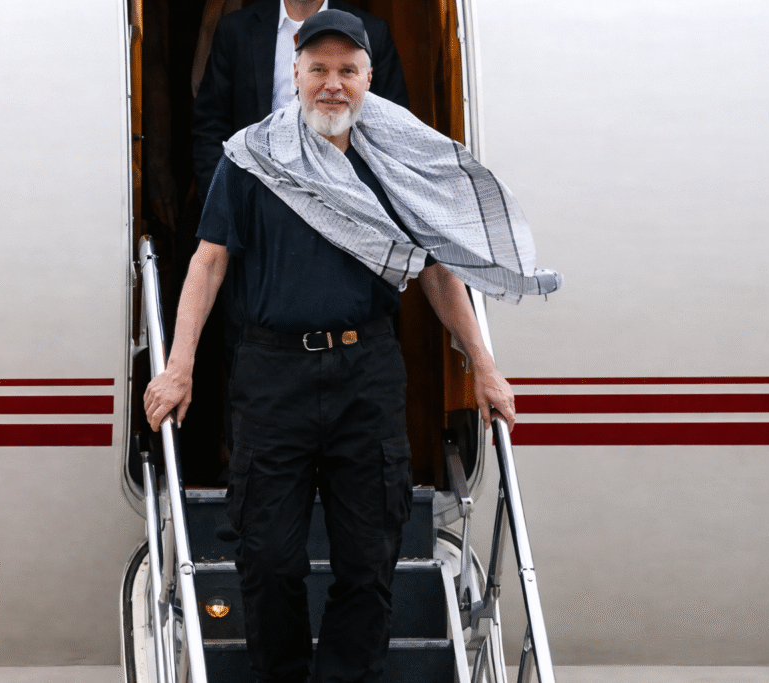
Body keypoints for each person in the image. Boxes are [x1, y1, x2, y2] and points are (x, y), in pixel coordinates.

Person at [146, 11, 560, 683]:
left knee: (369, 560)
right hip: (272, 373)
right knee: (269, 556)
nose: (331, 86)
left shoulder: (396, 166)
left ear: (369, 78)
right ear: (296, 74)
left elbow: (434, 270)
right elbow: (209, 262)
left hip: (365, 372)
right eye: (318, 70)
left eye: (346, 71)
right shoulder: (252, 158)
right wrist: (179, 366)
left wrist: (485, 366)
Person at [191, 0, 410, 201]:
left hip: (344, 213)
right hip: (255, 212)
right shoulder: (235, 31)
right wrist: (227, 209)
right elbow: (210, 128)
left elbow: (393, 136)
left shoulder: (372, 33)